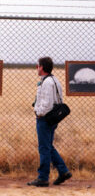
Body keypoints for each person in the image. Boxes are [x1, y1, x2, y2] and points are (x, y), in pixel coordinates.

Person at [27, 57, 72, 187]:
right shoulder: (54, 80)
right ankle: (63, 171)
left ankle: (43, 177)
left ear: (42, 67)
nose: (37, 68)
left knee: (44, 148)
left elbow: (46, 105)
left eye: (38, 66)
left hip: (45, 119)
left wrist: (38, 113)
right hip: (53, 118)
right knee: (48, 146)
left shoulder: (47, 83)